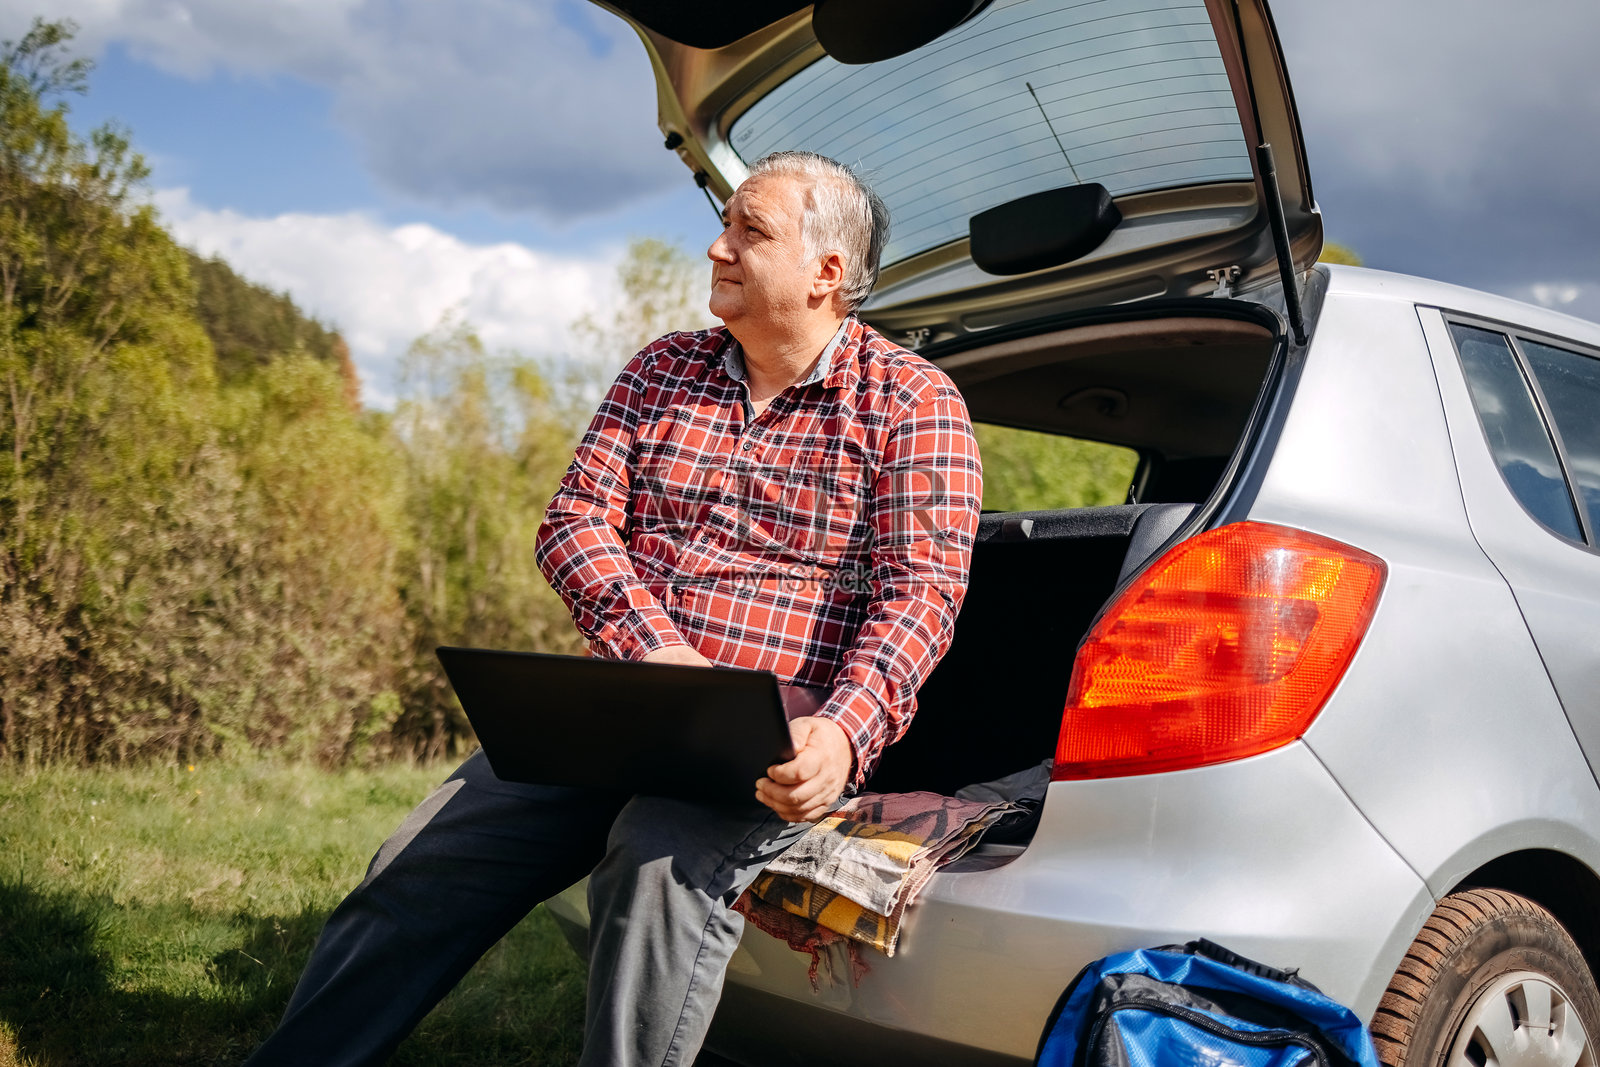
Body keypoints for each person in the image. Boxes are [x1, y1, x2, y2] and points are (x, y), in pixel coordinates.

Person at [243, 150, 982, 1067]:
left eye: (749, 230)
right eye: (723, 226)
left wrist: (841, 734)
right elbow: (573, 522)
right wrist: (657, 650)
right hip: (621, 699)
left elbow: (922, 594)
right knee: (423, 861)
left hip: (768, 735)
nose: (717, 248)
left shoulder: (914, 402)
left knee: (654, 862)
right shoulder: (662, 369)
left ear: (827, 272)